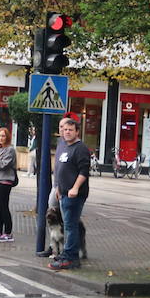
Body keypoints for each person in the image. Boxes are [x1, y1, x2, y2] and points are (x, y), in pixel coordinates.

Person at [49, 116, 91, 270]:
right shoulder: (65, 146)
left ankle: (72, 258)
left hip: (74, 195)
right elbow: (61, 170)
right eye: (65, 129)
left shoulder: (80, 148)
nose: (67, 132)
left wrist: (75, 188)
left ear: (77, 132)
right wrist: (59, 188)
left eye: (70, 130)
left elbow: (83, 171)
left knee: (71, 226)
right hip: (64, 193)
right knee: (67, 225)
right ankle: (67, 253)